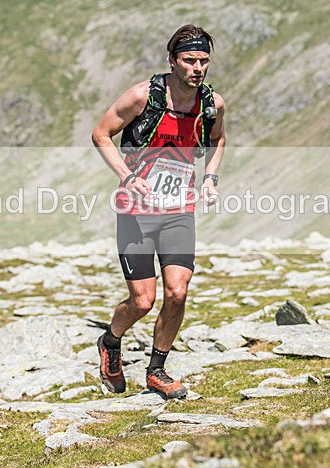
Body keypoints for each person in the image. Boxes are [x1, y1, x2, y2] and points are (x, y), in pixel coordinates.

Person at [90, 24, 226, 399]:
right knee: (142, 301)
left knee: (178, 292)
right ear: (172, 61)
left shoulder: (212, 105)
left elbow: (217, 140)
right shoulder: (142, 97)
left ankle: (157, 370)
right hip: (136, 210)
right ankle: (110, 342)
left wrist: (210, 177)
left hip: (179, 210)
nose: (197, 68)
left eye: (203, 61)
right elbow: (101, 134)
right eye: (189, 60)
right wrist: (126, 175)